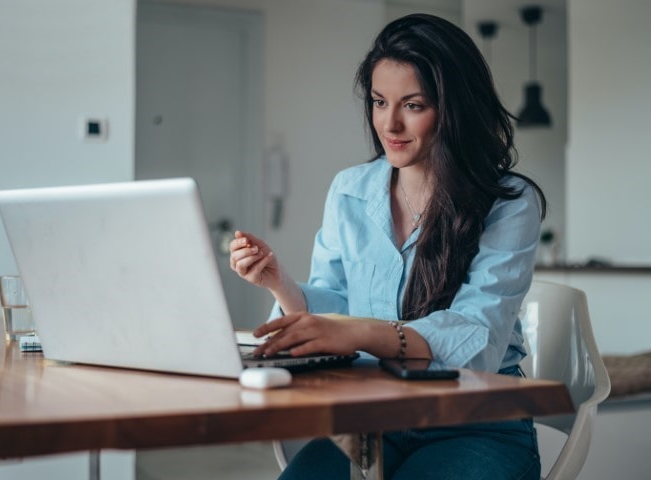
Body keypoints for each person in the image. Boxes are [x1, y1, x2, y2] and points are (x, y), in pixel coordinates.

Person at [229, 13, 546, 480]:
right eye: (379, 102)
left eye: (413, 105)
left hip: (476, 422)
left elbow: (475, 341)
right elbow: (334, 304)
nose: (389, 123)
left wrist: (358, 333)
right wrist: (279, 283)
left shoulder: (510, 202)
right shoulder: (350, 189)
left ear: (454, 108)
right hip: (370, 419)